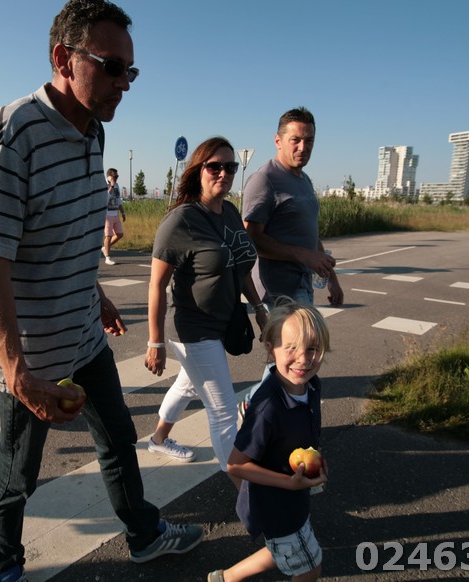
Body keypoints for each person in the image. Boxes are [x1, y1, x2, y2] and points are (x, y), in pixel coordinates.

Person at [0, 2, 203, 580]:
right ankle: (4, 568)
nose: (125, 83)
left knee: (119, 438)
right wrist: (17, 372)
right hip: (31, 353)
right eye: (112, 67)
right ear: (63, 58)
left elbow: (66, 230)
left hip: (83, 334)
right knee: (18, 474)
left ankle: (143, 535)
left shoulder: (93, 131)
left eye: (131, 71)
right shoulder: (13, 130)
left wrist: (94, 292)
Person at [143, 137, 267, 482]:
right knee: (223, 411)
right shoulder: (181, 220)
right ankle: (245, 492)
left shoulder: (230, 212)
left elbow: (241, 268)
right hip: (193, 328)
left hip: (222, 322)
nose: (223, 173)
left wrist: (258, 306)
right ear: (198, 170)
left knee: (187, 386)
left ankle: (158, 439)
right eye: (215, 166)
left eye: (230, 167)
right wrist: (155, 342)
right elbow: (156, 285)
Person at [209, 298, 330, 582]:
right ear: (270, 348)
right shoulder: (268, 407)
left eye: (312, 349)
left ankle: (226, 578)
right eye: (291, 348)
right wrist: (290, 483)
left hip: (294, 497)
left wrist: (317, 460)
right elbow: (236, 465)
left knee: (284, 548)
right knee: (310, 569)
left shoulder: (311, 385)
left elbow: (307, 433)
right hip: (275, 505)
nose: (303, 359)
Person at [242, 107, 343, 308]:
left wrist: (331, 278)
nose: (303, 147)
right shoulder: (264, 179)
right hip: (278, 295)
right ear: (278, 141)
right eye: (295, 140)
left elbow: (310, 234)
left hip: (303, 286)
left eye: (309, 140)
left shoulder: (304, 180)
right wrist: (304, 255)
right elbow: (251, 239)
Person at [102, 167, 126, 265]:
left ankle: (105, 248)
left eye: (117, 176)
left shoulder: (117, 185)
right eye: (115, 176)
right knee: (108, 236)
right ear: (109, 177)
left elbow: (118, 199)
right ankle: (107, 257)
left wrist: (122, 212)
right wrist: (111, 186)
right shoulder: (104, 184)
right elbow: (105, 198)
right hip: (107, 215)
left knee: (119, 234)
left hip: (115, 213)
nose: (116, 178)